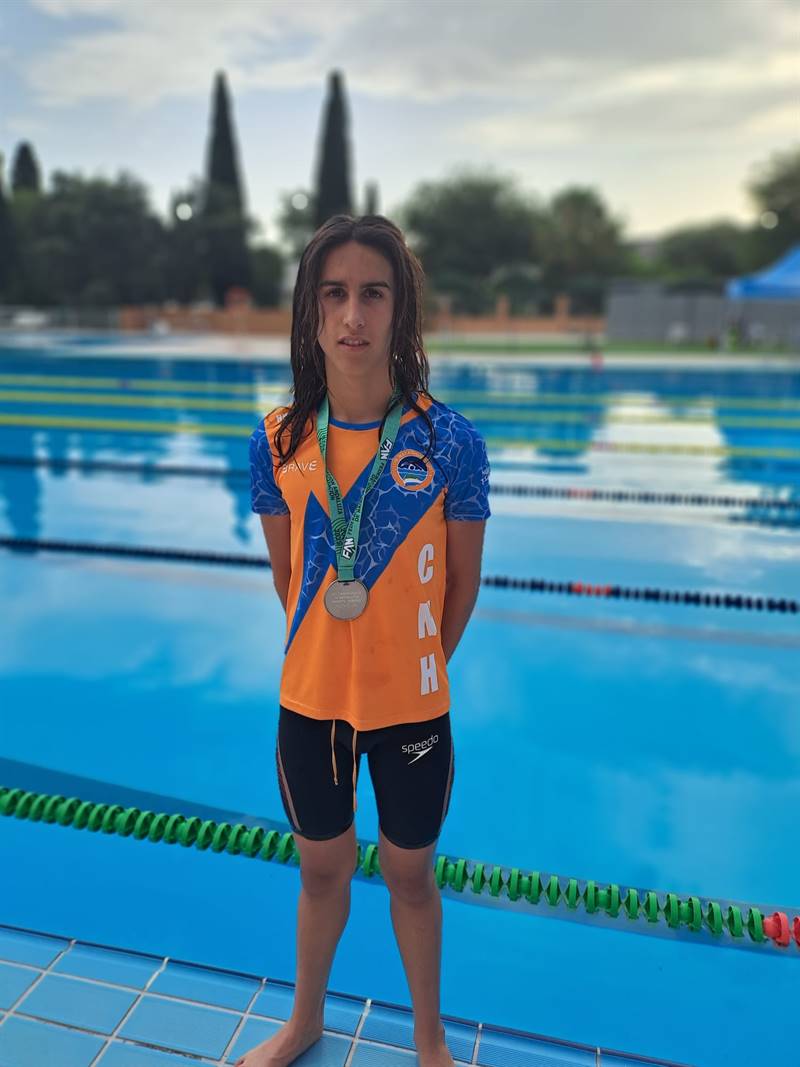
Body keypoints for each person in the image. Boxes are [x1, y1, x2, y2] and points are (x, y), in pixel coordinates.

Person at [239, 215, 490, 1067]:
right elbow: (289, 581)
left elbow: (461, 586)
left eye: (373, 294)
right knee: (321, 872)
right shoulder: (278, 439)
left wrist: (411, 668)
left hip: (412, 708)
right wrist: (335, 657)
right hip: (310, 704)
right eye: (335, 293)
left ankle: (430, 1038)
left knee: (412, 877)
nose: (353, 315)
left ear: (400, 310)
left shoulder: (450, 441)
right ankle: (305, 1021)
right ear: (311, 312)